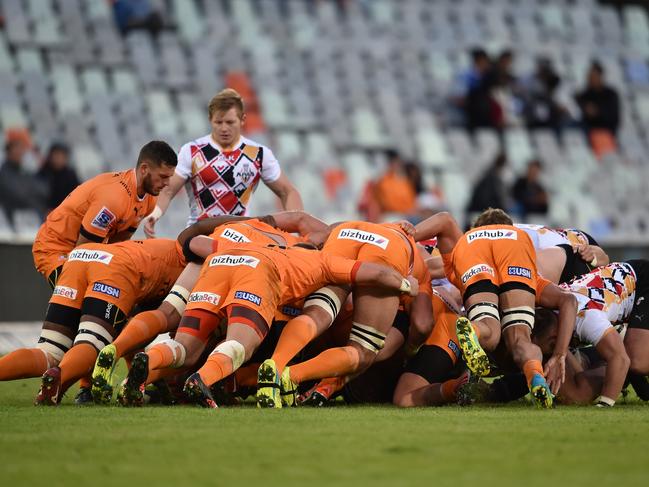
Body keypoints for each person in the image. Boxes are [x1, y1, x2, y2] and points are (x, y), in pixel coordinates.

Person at [117, 235, 418, 408]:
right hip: (258, 275)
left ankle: (144, 365)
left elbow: (196, 243)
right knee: (240, 344)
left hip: (219, 264)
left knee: (185, 347)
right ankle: (204, 379)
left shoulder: (266, 244)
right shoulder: (321, 260)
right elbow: (376, 274)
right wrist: (406, 285)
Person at [89, 211, 327, 403]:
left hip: (205, 259)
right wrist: (334, 232)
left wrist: (222, 248)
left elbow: (192, 239)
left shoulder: (246, 223)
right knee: (228, 341)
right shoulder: (290, 246)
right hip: (240, 271)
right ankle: (208, 380)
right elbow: (304, 220)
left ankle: (117, 352)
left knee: (168, 317)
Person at [256, 220, 433, 408]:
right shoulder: (420, 264)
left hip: (345, 232)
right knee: (364, 350)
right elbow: (423, 324)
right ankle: (291, 375)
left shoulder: (379, 225)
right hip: (388, 250)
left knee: (316, 314)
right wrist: (411, 350)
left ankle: (275, 364)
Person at [414, 209, 578, 408]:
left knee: (489, 330)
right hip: (516, 254)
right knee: (520, 338)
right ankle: (535, 375)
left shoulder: (468, 240)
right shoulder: (523, 237)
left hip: (472, 253)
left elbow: (428, 266)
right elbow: (569, 301)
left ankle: (473, 329)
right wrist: (559, 354)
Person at [0, 237, 185, 398]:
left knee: (50, 351)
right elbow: (149, 330)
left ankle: (61, 381)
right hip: (117, 267)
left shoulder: (177, 251)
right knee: (91, 343)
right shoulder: (193, 271)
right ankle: (60, 379)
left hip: (81, 255)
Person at [143, 88, 303, 237]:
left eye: (230, 122)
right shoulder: (192, 151)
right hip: (198, 233)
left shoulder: (258, 154)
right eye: (218, 123)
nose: (224, 128)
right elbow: (168, 190)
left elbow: (287, 191)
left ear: (242, 120)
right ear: (210, 120)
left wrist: (300, 228)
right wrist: (154, 215)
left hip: (239, 235)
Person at [32, 140, 177, 289]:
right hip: (55, 247)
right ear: (144, 169)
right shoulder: (113, 199)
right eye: (163, 176)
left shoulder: (150, 198)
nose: (167, 183)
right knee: (76, 294)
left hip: (83, 248)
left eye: (170, 177)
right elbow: (82, 253)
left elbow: (117, 244)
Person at [0, 137, 48, 227]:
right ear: (8, 152)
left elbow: (44, 190)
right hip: (13, 216)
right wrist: (32, 194)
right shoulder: (4, 173)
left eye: (22, 149)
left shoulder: (24, 172)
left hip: (31, 215)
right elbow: (18, 194)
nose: (20, 152)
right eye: (16, 149)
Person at [575, 61, 620, 151]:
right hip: (587, 129)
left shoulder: (610, 94)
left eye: (593, 76)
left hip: (604, 131)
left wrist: (597, 112)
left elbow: (613, 117)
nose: (591, 79)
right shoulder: (585, 94)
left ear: (600, 76)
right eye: (590, 76)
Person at [37, 142, 80, 210]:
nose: (59, 159)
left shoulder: (70, 176)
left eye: (62, 156)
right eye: (57, 155)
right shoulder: (43, 173)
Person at [466, 153, 508, 221]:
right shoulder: (492, 178)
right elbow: (486, 199)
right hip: (479, 211)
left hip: (477, 210)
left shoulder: (488, 175)